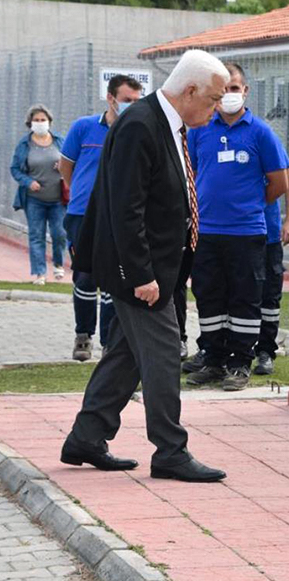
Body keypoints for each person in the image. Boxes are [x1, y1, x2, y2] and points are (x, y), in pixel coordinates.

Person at [60, 49, 229, 483]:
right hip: (142, 273)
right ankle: (171, 451)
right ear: (189, 90)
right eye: (212, 99)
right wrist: (142, 276)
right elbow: (125, 209)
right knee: (162, 355)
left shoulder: (166, 123)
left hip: (164, 268)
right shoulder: (141, 125)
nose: (215, 109)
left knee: (126, 356)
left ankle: (86, 436)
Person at [184, 62, 289, 391]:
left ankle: (240, 363)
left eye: (235, 88)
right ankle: (213, 359)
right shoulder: (201, 130)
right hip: (207, 232)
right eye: (224, 89)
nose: (229, 94)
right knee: (209, 298)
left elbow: (279, 183)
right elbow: (193, 176)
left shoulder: (260, 133)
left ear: (245, 91)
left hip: (247, 233)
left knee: (245, 299)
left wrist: (249, 206)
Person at [60, 75, 143, 362]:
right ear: (110, 98)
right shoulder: (83, 128)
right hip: (82, 215)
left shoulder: (137, 131)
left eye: (136, 100)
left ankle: (110, 341)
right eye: (126, 100)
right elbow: (66, 167)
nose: (132, 105)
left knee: (113, 281)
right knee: (85, 278)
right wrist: (86, 194)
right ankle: (83, 336)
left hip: (118, 218)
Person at [10, 104, 66, 286]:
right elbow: (15, 169)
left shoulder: (59, 141)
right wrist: (28, 182)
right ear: (30, 123)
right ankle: (39, 273)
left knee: (59, 234)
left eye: (43, 120)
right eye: (36, 120)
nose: (40, 123)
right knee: (36, 235)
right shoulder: (24, 145)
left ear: (49, 121)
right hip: (34, 200)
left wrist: (62, 166)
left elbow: (71, 161)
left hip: (58, 199)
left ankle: (58, 263)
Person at [254, 164, 289, 375]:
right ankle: (223, 353)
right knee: (233, 295)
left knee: (269, 294)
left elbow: (287, 181)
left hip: (267, 232)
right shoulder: (211, 133)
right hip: (233, 233)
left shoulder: (264, 136)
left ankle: (265, 351)